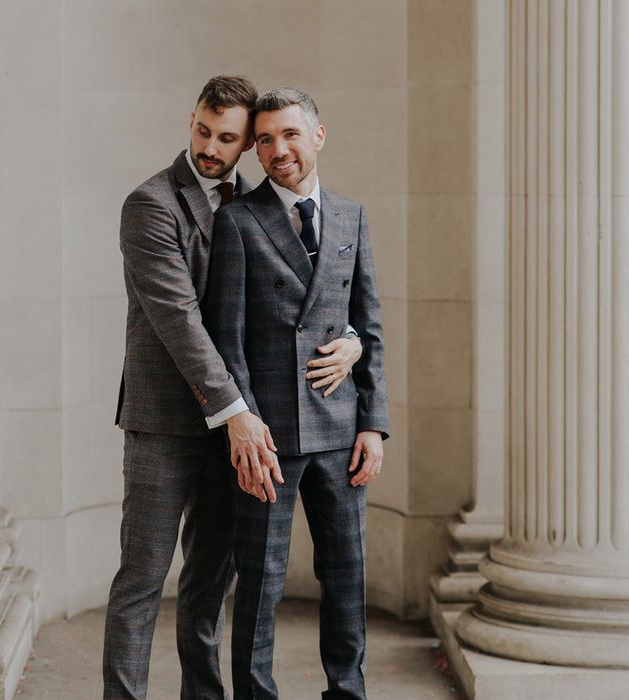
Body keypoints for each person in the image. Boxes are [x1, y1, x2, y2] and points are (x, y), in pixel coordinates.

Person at [104, 76, 363, 700]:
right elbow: (181, 322)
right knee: (143, 579)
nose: (210, 148)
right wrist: (237, 411)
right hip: (169, 420)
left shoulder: (254, 205)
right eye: (202, 130)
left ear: (248, 143)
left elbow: (302, 299)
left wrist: (351, 337)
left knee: (209, 580)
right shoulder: (151, 204)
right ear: (190, 119)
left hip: (239, 431)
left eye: (227, 138)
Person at [204, 87, 389, 700]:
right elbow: (226, 340)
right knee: (260, 583)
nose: (276, 149)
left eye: (288, 134)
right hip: (271, 440)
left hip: (342, 433)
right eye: (263, 140)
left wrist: (374, 424)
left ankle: (348, 691)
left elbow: (370, 323)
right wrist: (247, 430)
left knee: (346, 577)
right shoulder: (237, 220)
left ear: (318, 135)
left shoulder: (349, 215)